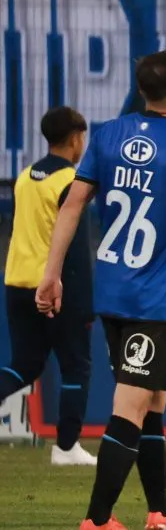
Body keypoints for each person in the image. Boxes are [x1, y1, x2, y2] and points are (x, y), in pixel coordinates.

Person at [36, 50, 166, 530]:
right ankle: (99, 520)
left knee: (152, 398)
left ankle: (160, 510)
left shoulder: (107, 135)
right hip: (150, 299)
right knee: (132, 405)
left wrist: (52, 273)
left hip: (111, 291)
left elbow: (73, 205)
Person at [0, 106, 95, 466]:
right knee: (75, 365)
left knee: (24, 365)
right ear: (75, 139)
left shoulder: (25, 176)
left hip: (16, 281)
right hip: (54, 285)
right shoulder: (71, 181)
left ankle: (68, 448)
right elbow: (72, 245)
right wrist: (82, 301)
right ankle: (67, 447)